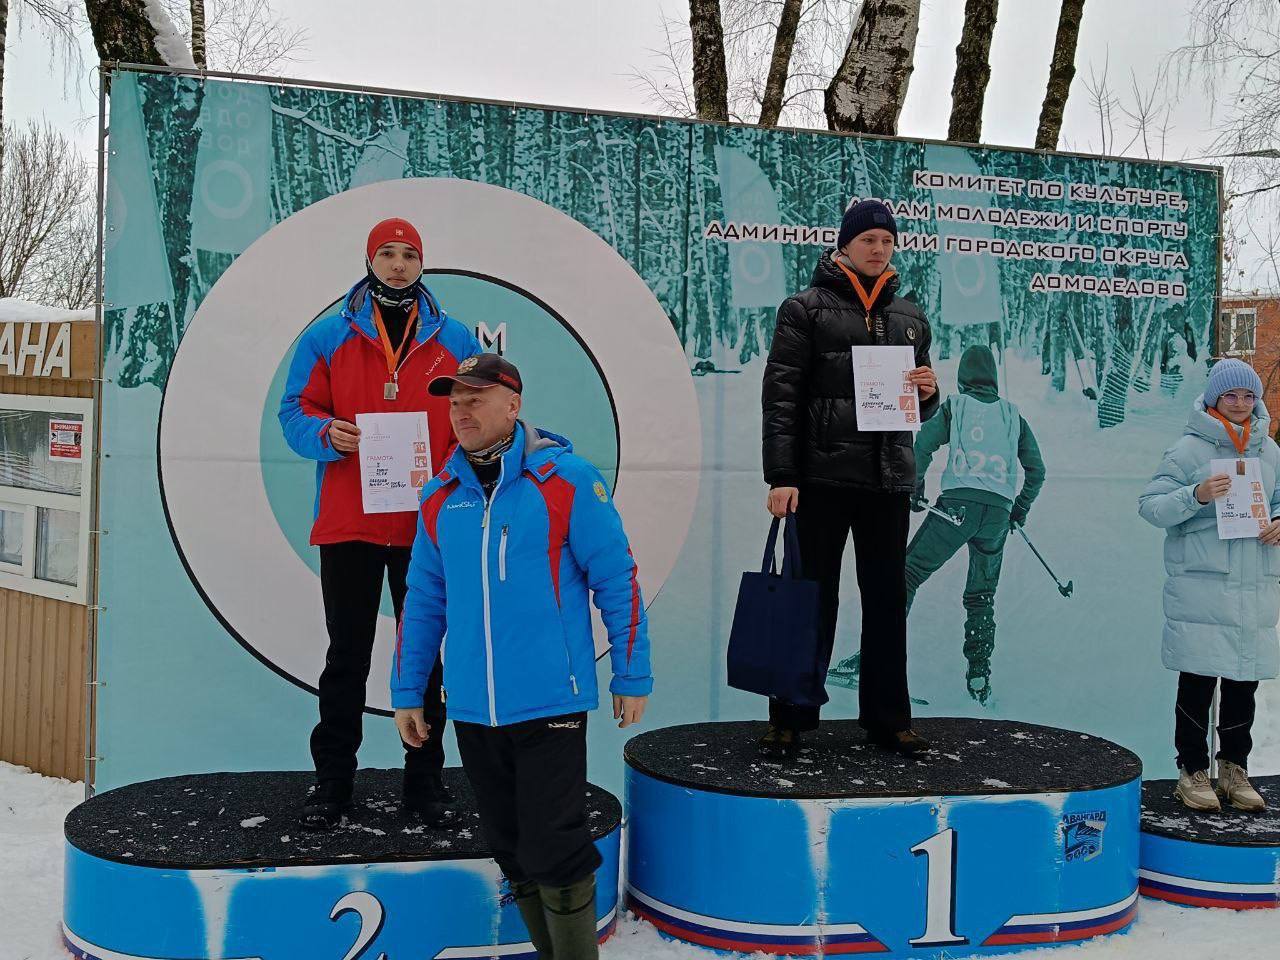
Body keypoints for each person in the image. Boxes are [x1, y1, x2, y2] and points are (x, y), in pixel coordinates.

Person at [393, 354, 651, 960]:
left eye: (475, 399)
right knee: (509, 844)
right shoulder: (440, 496)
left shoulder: (565, 480)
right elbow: (424, 600)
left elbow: (617, 578)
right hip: (475, 709)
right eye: (454, 400)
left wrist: (631, 672)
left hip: (549, 699)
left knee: (554, 843)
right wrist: (408, 691)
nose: (461, 411)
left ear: (513, 405)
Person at [279, 217, 483, 830]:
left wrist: (461, 463)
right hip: (350, 523)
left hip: (427, 524)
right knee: (347, 656)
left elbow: (474, 412)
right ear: (370, 260)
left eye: (409, 254)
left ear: (423, 264)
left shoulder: (455, 337)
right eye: (387, 254)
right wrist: (325, 432)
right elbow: (294, 410)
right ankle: (332, 783)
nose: (398, 264)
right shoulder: (327, 336)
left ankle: (424, 785)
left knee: (425, 658)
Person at [761, 198, 939, 758]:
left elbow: (920, 403)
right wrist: (783, 474)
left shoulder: (910, 316)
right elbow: (782, 396)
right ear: (844, 244)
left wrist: (929, 395)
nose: (879, 249)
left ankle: (889, 719)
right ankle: (790, 718)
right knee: (811, 600)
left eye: (886, 241)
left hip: (887, 481)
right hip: (820, 479)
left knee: (887, 601)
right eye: (868, 240)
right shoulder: (804, 308)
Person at [829, 344, 1045, 704]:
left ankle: (873, 660)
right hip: (996, 515)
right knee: (981, 594)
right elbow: (1037, 471)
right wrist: (1017, 510)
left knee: (906, 575)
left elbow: (922, 446)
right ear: (992, 377)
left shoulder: (955, 407)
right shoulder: (1013, 416)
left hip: (956, 509)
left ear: (963, 378)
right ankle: (979, 673)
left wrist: (916, 489)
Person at [1138, 358, 1278, 813]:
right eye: (1230, 396)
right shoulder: (1188, 450)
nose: (1240, 404)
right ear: (1214, 399)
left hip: (1254, 586)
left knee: (1243, 684)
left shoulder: (1270, 451)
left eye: (1248, 395)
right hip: (1202, 588)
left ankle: (1235, 769)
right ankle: (1192, 770)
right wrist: (1196, 495)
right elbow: (1151, 506)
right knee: (1197, 684)